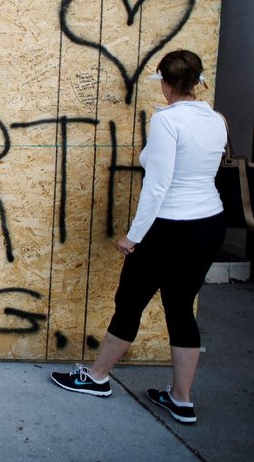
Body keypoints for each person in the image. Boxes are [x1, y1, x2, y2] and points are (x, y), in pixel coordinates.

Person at [50, 49, 227, 424]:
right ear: (197, 82)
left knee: (130, 301)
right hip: (208, 224)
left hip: (169, 226)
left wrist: (134, 236)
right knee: (180, 307)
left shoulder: (167, 122)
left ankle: (97, 377)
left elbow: (158, 186)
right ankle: (181, 398)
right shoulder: (216, 119)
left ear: (164, 82)